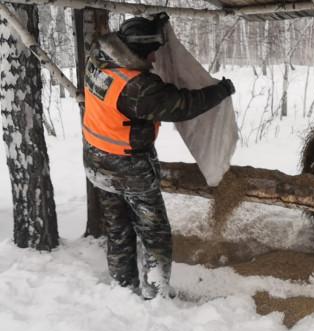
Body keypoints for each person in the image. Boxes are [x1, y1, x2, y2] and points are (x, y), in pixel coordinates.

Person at [82, 13, 235, 299]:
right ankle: (155, 294)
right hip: (128, 168)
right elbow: (183, 104)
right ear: (137, 51)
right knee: (155, 234)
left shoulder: (99, 59)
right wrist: (221, 90)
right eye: (152, 53)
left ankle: (122, 287)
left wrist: (154, 24)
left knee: (118, 229)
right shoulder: (137, 88)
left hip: (95, 161)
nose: (154, 60)